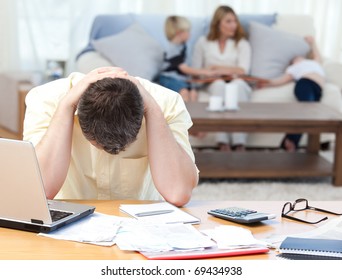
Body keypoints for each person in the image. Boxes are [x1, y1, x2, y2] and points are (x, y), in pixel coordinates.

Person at [23, 67, 199, 207]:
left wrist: (152, 110)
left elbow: (178, 192)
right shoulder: (45, 99)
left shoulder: (167, 102)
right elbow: (37, 192)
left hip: (139, 225)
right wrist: (66, 107)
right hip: (68, 224)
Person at [192, 5, 252, 151]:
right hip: (213, 81)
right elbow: (196, 70)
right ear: (218, 23)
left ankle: (239, 142)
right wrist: (210, 72)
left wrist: (216, 68)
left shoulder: (242, 43)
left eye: (235, 21)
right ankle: (222, 141)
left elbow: (243, 70)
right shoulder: (203, 42)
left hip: (237, 80)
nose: (234, 25)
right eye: (228, 21)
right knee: (219, 85)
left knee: (238, 86)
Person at [265, 36, 325, 152]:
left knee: (308, 113)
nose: (298, 58)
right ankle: (291, 142)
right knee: (307, 110)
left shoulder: (313, 62)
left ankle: (288, 140)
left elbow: (317, 55)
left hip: (317, 90)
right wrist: (267, 83)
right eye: (294, 59)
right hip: (305, 84)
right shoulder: (293, 68)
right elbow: (281, 80)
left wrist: (313, 43)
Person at [157, 15, 216, 102]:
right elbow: (185, 69)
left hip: (182, 79)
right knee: (184, 92)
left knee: (193, 93)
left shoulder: (185, 46)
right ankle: (182, 114)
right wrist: (205, 72)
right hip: (169, 78)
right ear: (179, 33)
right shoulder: (172, 48)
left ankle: (193, 115)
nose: (190, 34)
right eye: (187, 31)